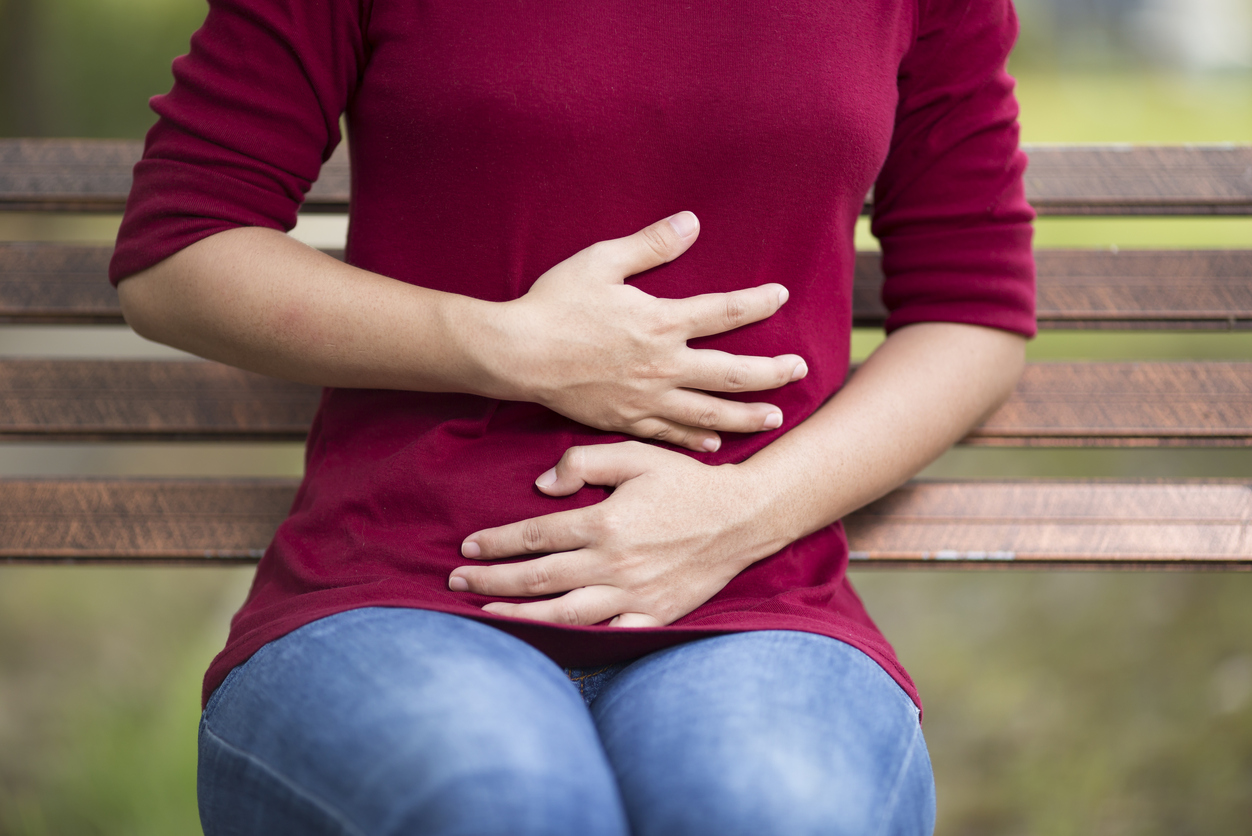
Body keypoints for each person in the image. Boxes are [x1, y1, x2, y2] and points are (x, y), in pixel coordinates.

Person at [111, 0, 1035, 833]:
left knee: (766, 809)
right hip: (397, 585)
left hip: (756, 598)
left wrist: (744, 514)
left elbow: (974, 311)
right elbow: (182, 252)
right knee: (502, 803)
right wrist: (505, 346)